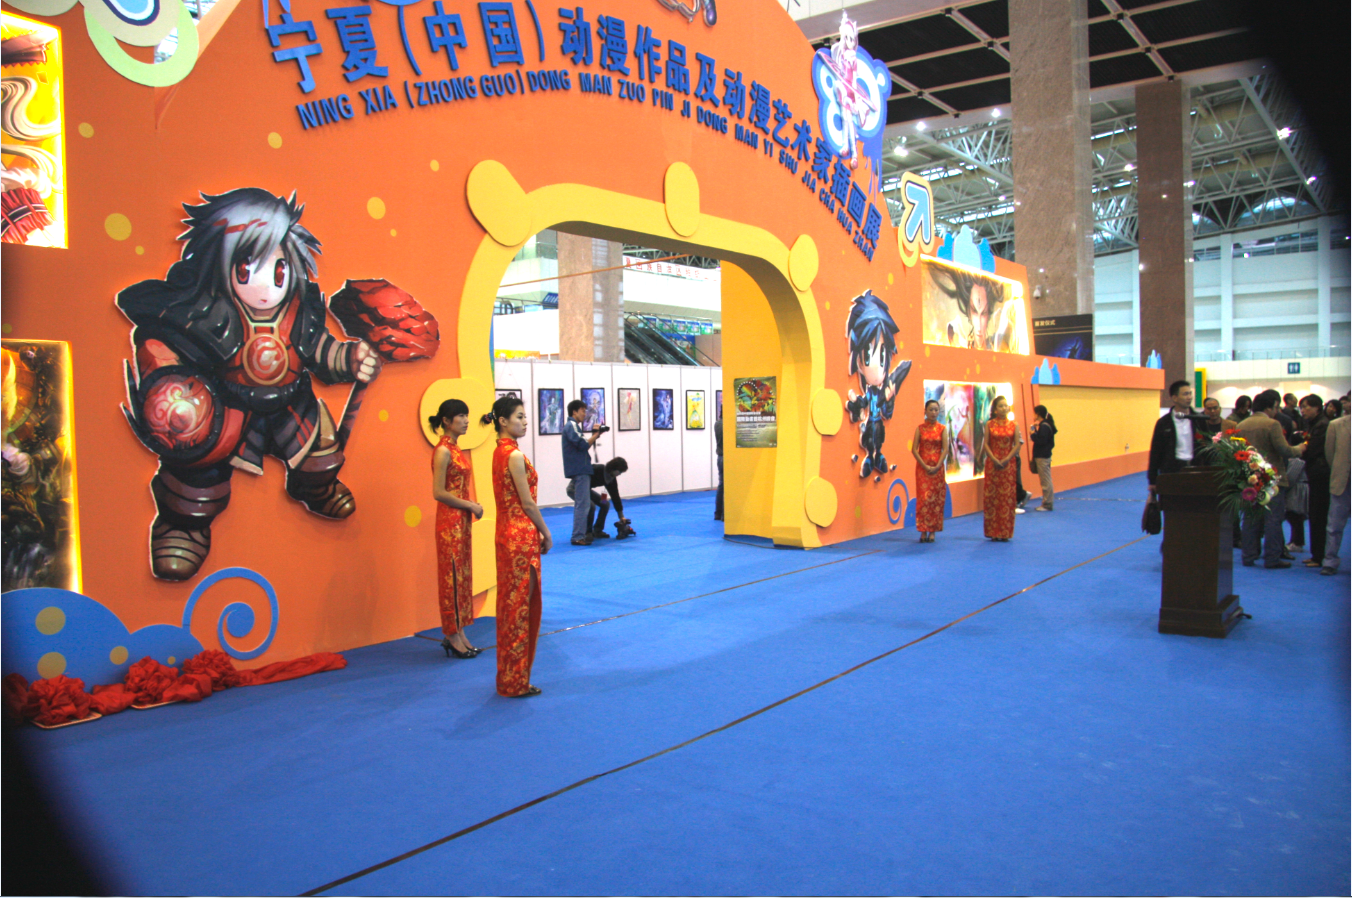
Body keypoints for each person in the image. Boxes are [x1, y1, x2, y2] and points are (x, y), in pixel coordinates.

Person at [115, 188, 382, 580]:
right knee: (197, 467)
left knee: (321, 450)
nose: (267, 287)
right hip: (228, 409)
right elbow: (163, 346)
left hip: (291, 403)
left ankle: (315, 487)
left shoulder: (299, 310)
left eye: (278, 271)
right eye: (246, 270)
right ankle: (183, 525)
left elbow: (318, 349)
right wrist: (173, 395)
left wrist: (350, 359)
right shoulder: (201, 312)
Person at [482, 395, 552, 698]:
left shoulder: (500, 453)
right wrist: (546, 532)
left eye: (524, 417)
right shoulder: (513, 456)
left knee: (511, 608)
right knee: (520, 611)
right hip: (520, 538)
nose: (525, 422)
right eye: (519, 417)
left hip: (506, 534)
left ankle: (510, 678)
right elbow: (528, 503)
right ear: (503, 421)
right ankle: (514, 681)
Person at [429, 399, 483, 659]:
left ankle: (459, 631)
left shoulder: (456, 449)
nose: (466, 421)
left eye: (466, 415)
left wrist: (469, 507)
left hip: (461, 521)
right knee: (451, 576)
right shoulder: (443, 451)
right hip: (449, 523)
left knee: (462, 576)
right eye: (460, 416)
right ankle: (451, 633)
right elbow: (438, 492)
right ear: (446, 421)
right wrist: (470, 504)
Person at [1236, 393, 1306, 568]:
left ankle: (1248, 556)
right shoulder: (1272, 424)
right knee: (1273, 520)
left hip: (1250, 478)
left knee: (1250, 519)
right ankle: (1272, 558)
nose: (1277, 411)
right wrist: (1300, 448)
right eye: (1276, 407)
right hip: (1271, 478)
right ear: (1269, 407)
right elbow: (1285, 450)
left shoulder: (1241, 425)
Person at [1148, 380, 1202, 493]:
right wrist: (1152, 480)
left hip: (1196, 469)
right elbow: (1156, 452)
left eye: (1190, 393)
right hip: (1172, 471)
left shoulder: (1199, 420)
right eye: (1185, 394)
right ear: (1175, 398)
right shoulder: (1163, 423)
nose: (1189, 397)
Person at [563, 398, 603, 546]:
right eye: (583, 411)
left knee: (588, 504)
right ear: (574, 412)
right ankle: (578, 536)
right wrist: (595, 435)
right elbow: (583, 444)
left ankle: (585, 533)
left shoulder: (573, 426)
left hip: (581, 469)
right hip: (580, 469)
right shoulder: (572, 425)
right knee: (583, 505)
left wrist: (594, 435)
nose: (585, 414)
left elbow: (582, 445)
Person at [981, 396, 1022, 541]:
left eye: (1006, 406)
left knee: (1006, 498)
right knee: (992, 498)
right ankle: (993, 532)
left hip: (1008, 465)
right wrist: (993, 458)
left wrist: (1006, 459)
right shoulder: (990, 424)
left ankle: (1005, 532)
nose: (1004, 408)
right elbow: (986, 444)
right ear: (995, 409)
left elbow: (1016, 445)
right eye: (1001, 406)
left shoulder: (1014, 425)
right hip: (992, 465)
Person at [1298, 394, 1331, 569]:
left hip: (1321, 475)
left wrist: (1301, 450)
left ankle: (1319, 556)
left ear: (1317, 407)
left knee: (1319, 516)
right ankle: (1317, 554)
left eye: (1306, 407)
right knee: (1315, 515)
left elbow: (1313, 450)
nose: (1303, 411)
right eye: (1301, 407)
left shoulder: (1322, 425)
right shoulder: (1314, 424)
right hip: (1315, 473)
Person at [911, 399, 949, 542]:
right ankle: (922, 530)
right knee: (923, 500)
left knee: (935, 501)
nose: (934, 412)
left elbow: (945, 449)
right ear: (925, 411)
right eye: (931, 410)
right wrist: (924, 465)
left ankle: (932, 531)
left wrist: (938, 465)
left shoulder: (942, 429)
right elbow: (914, 449)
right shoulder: (920, 429)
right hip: (923, 470)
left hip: (937, 470)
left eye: (936, 410)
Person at [567, 457, 630, 540]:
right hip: (575, 489)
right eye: (620, 471)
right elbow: (581, 476)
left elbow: (615, 496)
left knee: (605, 504)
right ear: (613, 468)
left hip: (586, 490)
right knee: (591, 506)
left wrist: (621, 516)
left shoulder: (611, 479)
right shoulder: (597, 469)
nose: (620, 474)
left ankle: (597, 530)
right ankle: (587, 532)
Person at [1320, 410, 1350, 575]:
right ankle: (1330, 561)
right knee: (1334, 526)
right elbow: (1329, 453)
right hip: (1342, 481)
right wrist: (1340, 470)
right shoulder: (1336, 425)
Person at [1029, 404, 1056, 511]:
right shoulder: (1046, 425)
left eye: (1034, 413)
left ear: (1038, 414)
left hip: (1042, 457)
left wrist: (1033, 434)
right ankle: (1047, 502)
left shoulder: (1044, 426)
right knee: (1046, 480)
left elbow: (1041, 441)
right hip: (1045, 456)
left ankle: (1047, 504)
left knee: (1045, 481)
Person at [713, 408, 724, 521]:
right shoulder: (728, 425)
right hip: (727, 458)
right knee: (728, 486)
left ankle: (718, 513)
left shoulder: (717, 424)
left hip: (720, 457)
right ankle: (725, 514)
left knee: (721, 486)